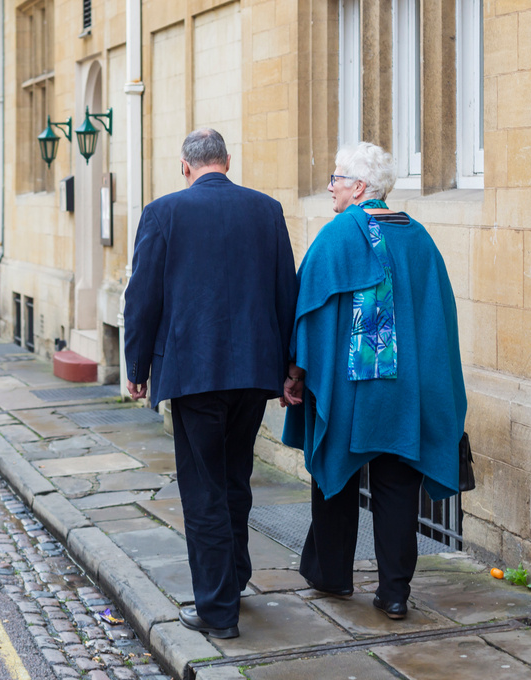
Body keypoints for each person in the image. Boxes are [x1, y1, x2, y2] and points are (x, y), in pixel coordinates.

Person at [124, 128, 298, 639]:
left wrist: (136, 367)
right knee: (234, 478)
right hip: (252, 372)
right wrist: (292, 366)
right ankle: (234, 579)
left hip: (194, 373)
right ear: (227, 160)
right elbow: (285, 290)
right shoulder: (265, 210)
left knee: (203, 491)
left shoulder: (163, 213)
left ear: (185, 166)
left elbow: (142, 299)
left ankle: (218, 611)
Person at [280, 142, 466, 620]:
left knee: (335, 479)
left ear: (359, 187)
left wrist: (297, 375)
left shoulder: (339, 234)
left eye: (338, 178)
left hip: (350, 390)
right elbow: (438, 319)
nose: (330, 187)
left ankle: (332, 575)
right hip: (404, 392)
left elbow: (308, 314)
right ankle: (395, 592)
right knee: (396, 489)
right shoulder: (419, 237)